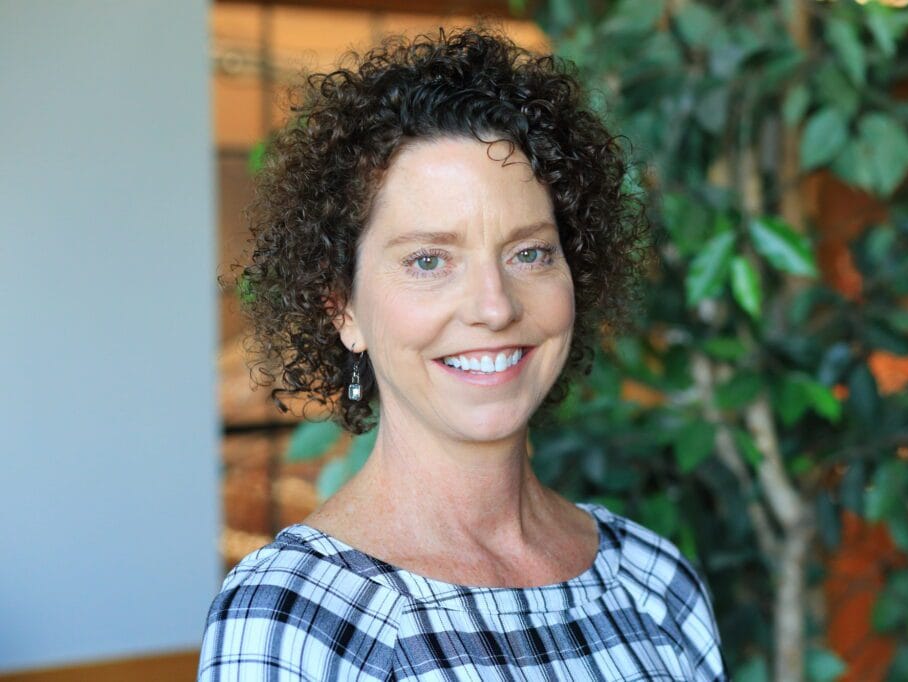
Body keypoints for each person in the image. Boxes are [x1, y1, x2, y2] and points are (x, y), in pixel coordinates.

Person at [198, 26, 727, 681]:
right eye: (428, 260)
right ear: (344, 308)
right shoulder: (298, 617)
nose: (494, 306)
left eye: (529, 252)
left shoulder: (654, 581)